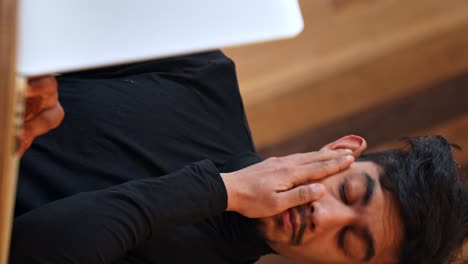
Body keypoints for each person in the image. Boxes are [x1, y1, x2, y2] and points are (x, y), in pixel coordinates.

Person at [10, 50, 467, 264]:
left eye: (349, 242)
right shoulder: (202, 74)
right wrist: (30, 70)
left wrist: (221, 190)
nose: (323, 216)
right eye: (348, 191)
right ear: (341, 152)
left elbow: (27, 252)